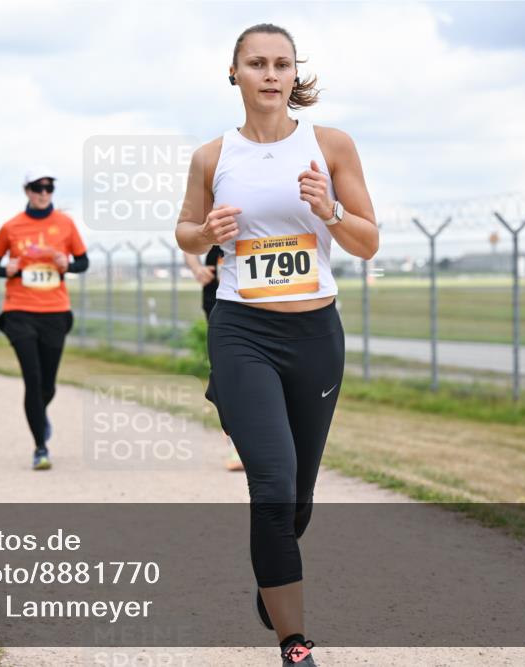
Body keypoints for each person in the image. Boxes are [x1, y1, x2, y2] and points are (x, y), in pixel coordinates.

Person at [175, 24, 378, 667]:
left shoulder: (331, 145)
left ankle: (274, 577)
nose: (269, 74)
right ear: (233, 73)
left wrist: (331, 212)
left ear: (296, 75)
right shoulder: (213, 156)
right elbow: (184, 231)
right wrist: (205, 230)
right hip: (242, 329)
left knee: (299, 498)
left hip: (315, 334)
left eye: (281, 64)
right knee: (272, 483)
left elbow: (369, 242)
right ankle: (295, 640)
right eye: (256, 63)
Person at [0, 169, 89, 471]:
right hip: (19, 310)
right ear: (27, 191)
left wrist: (65, 263)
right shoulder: (11, 227)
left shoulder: (65, 224)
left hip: (55, 311)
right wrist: (7, 267)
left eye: (49, 187)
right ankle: (40, 447)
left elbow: (83, 262)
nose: (44, 193)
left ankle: (39, 416)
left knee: (48, 386)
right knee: (32, 380)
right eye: (37, 187)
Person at [184, 246, 244, 472]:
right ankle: (236, 443)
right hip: (218, 302)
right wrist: (196, 268)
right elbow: (189, 239)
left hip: (263, 301)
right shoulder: (214, 209)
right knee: (228, 374)